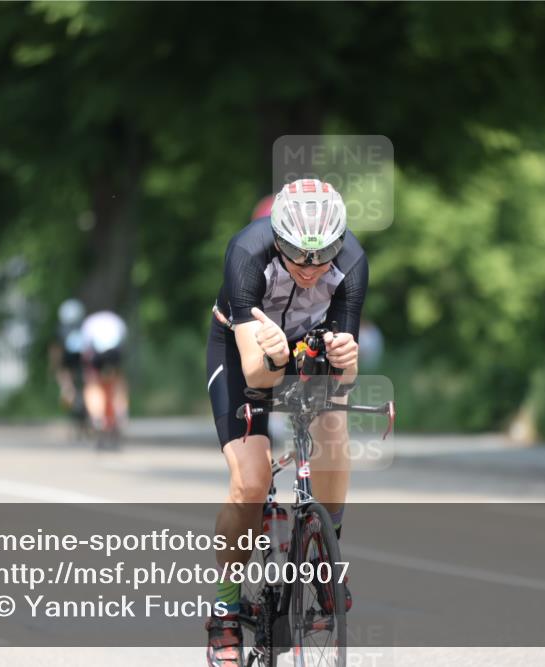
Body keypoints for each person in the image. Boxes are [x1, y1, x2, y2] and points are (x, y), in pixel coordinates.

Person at [205, 178, 366, 666]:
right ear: (278, 237)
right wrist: (272, 353)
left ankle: (325, 548)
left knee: (334, 428)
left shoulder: (352, 261)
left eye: (324, 256)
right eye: (298, 255)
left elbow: (346, 378)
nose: (312, 268)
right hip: (244, 354)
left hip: (305, 348)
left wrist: (346, 358)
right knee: (250, 484)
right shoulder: (246, 253)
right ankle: (226, 606)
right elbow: (256, 371)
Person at [79, 310, 129, 433]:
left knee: (93, 383)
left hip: (98, 354)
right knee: (117, 382)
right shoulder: (116, 319)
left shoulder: (89, 322)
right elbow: (123, 342)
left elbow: (85, 348)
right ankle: (120, 412)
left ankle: (97, 416)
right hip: (114, 353)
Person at [50, 299, 87, 420]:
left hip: (67, 361)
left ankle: (67, 392)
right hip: (83, 361)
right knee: (87, 381)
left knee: (64, 379)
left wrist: (54, 366)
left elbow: (56, 350)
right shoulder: (84, 327)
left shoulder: (60, 329)